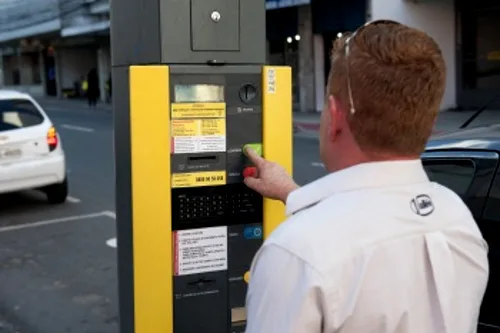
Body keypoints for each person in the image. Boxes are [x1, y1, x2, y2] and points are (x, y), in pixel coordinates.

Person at [243, 20, 489, 333]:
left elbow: (345, 237)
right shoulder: (456, 218)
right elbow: (376, 220)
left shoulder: (295, 254)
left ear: (334, 117)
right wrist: (290, 193)